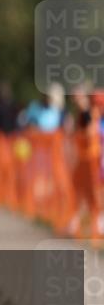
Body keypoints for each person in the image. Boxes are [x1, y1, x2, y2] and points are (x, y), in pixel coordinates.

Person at [68, 84, 102, 237]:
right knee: (82, 190)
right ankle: (80, 221)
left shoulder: (88, 112)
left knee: (92, 191)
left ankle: (95, 222)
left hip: (91, 158)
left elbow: (90, 133)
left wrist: (78, 134)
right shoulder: (83, 113)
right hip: (85, 158)